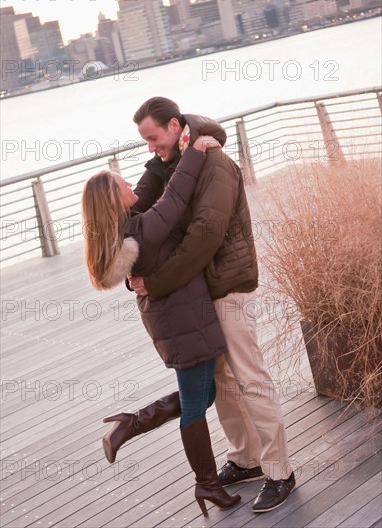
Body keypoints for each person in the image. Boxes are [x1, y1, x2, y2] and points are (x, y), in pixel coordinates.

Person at [126, 97, 296, 513]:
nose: (149, 147)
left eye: (152, 138)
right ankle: (246, 457)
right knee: (222, 382)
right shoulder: (174, 161)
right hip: (199, 290)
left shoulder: (215, 163)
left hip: (228, 285)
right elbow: (141, 213)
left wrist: (156, 283)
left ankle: (279, 471)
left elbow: (204, 237)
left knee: (249, 376)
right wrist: (159, 164)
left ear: (172, 125)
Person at [82, 134, 241, 517]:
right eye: (122, 185)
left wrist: (160, 158)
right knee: (195, 406)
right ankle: (207, 484)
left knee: (201, 397)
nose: (129, 185)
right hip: (183, 321)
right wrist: (195, 154)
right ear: (114, 200)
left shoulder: (126, 228)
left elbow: (148, 188)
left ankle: (130, 425)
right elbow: (174, 201)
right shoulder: (141, 229)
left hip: (174, 320)